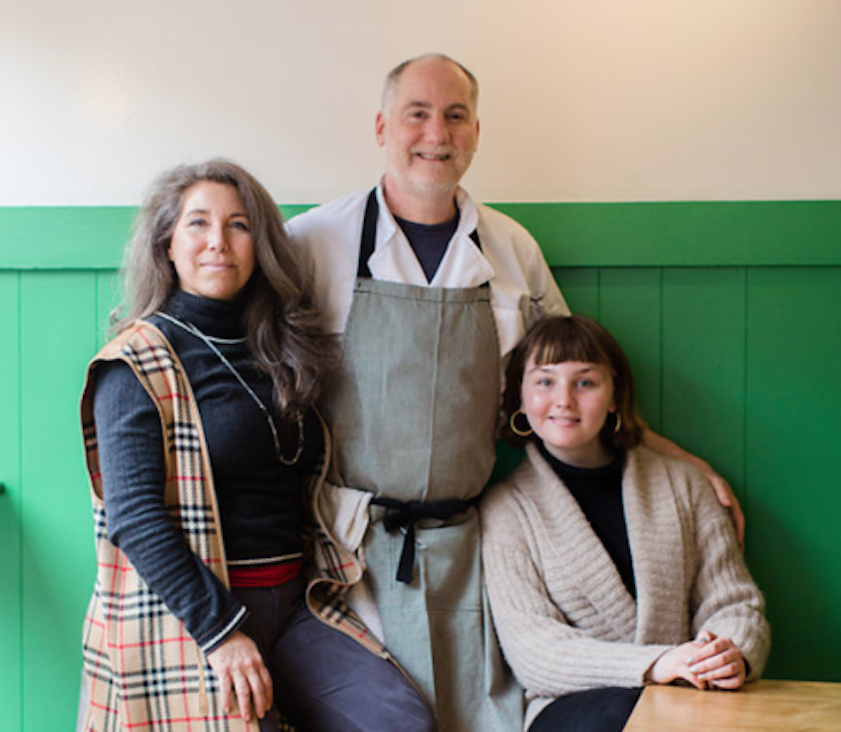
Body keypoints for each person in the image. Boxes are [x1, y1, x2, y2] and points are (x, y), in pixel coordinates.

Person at [287, 53, 744, 731]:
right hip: (348, 548)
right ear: (382, 125)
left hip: (467, 545)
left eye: (455, 115)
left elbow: (564, 385)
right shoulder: (312, 242)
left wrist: (685, 464)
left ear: (475, 132)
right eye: (417, 113)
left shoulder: (509, 248)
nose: (435, 132)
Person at [78, 159, 437, 732]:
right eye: (198, 224)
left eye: (239, 225)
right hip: (197, 614)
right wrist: (222, 634)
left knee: (399, 722)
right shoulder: (135, 362)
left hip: (295, 606)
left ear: (260, 244)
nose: (218, 242)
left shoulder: (279, 349)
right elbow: (135, 518)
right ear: (167, 244)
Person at [480, 315, 770, 732]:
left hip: (691, 699)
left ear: (615, 395)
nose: (564, 400)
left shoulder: (684, 484)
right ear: (520, 399)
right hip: (574, 711)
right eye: (545, 382)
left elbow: (733, 603)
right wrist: (656, 663)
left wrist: (727, 653)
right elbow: (535, 651)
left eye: (585, 382)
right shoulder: (506, 510)